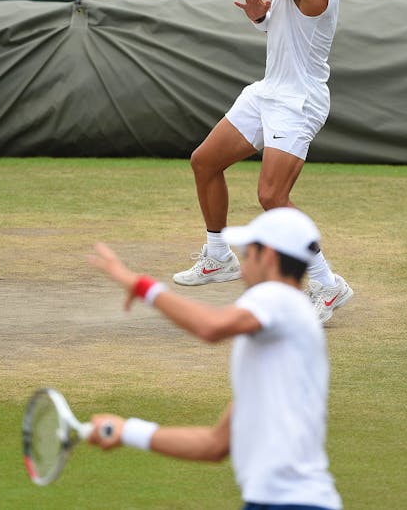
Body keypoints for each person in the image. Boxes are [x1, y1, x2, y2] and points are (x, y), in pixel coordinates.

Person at [165, 0, 353, 324]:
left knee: (271, 197)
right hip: (268, 92)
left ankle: (327, 284)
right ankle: (218, 256)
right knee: (205, 161)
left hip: (299, 101)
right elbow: (291, 33)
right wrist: (262, 19)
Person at [86, 207, 342, 510]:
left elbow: (211, 327)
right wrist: (127, 431)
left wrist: (142, 286)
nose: (243, 266)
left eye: (248, 255)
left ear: (269, 257)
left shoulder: (279, 296)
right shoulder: (276, 359)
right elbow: (214, 445)